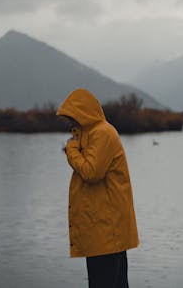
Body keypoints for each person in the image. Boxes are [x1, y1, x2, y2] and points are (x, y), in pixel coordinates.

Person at [56, 88, 140, 288]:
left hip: (106, 229)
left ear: (82, 113)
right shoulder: (90, 134)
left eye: (71, 117)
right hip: (102, 229)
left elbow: (92, 172)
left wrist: (72, 151)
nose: (69, 122)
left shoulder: (102, 133)